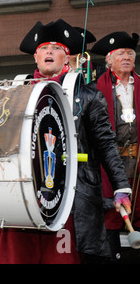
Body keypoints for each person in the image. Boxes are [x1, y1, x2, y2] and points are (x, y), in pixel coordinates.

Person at [0, 19, 132, 264]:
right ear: (35, 57)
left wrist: (121, 186)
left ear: (67, 57)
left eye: (56, 48)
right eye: (44, 48)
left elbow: (106, 145)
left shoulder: (88, 95)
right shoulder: (15, 91)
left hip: (70, 199)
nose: (49, 52)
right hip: (23, 199)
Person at [91, 31, 140, 261]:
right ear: (109, 60)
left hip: (137, 165)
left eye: (130, 53)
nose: (127, 57)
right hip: (108, 168)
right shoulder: (94, 90)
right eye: (121, 54)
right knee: (110, 216)